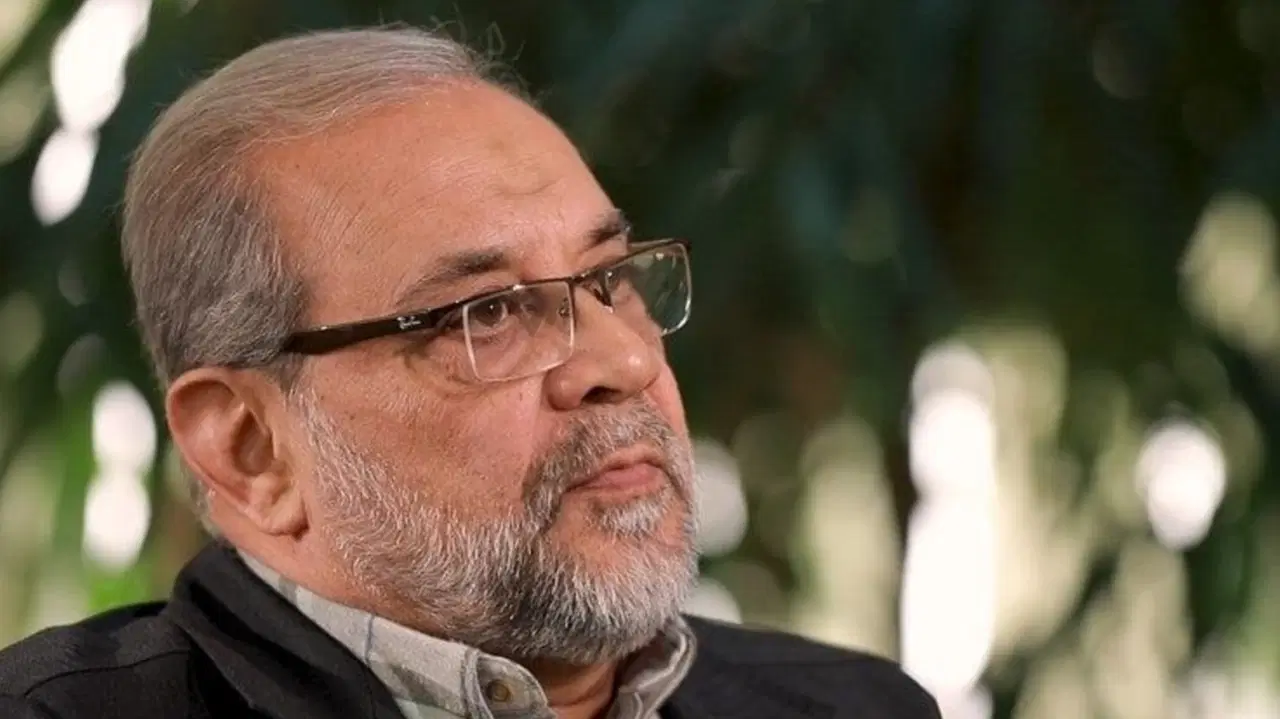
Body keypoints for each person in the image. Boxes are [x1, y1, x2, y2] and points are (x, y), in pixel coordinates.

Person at [0, 27, 940, 719]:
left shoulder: (857, 707)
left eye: (610, 278)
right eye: (486, 312)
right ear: (251, 448)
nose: (624, 361)